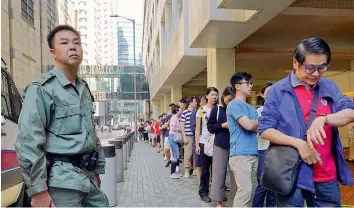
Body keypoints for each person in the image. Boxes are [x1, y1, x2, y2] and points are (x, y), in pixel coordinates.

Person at [15, 25, 108, 207]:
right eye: (64, 43)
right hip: (61, 183)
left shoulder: (84, 89)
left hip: (87, 177)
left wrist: (97, 169)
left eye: (76, 43)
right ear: (53, 52)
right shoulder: (42, 88)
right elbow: (28, 140)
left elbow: (91, 133)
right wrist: (38, 191)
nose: (72, 47)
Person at [259, 37, 354, 207]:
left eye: (322, 67)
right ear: (295, 63)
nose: (316, 73)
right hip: (290, 174)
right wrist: (298, 144)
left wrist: (324, 119)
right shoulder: (278, 91)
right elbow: (265, 129)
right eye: (310, 68)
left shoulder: (329, 87)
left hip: (325, 174)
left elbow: (349, 112)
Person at [227, 72, 259, 207]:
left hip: (253, 153)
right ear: (237, 86)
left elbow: (257, 128)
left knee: (248, 192)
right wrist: (257, 122)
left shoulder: (251, 108)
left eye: (251, 83)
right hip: (240, 155)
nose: (251, 86)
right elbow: (249, 125)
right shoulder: (234, 105)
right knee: (244, 192)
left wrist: (256, 124)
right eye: (248, 83)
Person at [208, 86, 235, 207]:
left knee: (235, 175)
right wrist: (223, 125)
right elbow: (211, 128)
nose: (230, 101)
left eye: (232, 99)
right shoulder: (217, 109)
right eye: (228, 98)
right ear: (223, 97)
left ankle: (236, 200)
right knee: (219, 174)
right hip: (220, 145)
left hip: (235, 145)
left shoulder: (236, 109)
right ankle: (218, 201)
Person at [252, 83, 276, 207]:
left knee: (273, 184)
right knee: (262, 182)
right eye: (268, 92)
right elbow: (258, 129)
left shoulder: (279, 110)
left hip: (277, 150)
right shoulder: (259, 111)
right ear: (262, 95)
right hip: (263, 149)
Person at [196, 87, 219, 203]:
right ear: (207, 96)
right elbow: (198, 129)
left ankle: (217, 193)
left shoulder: (220, 109)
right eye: (212, 95)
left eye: (216, 95)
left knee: (216, 170)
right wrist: (196, 145)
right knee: (205, 170)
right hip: (204, 142)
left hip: (217, 143)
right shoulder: (201, 110)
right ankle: (203, 192)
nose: (214, 97)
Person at [190, 96, 206, 183]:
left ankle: (208, 181)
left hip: (209, 142)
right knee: (199, 163)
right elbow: (193, 128)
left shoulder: (210, 112)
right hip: (198, 141)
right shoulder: (195, 114)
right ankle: (200, 182)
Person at [181, 97, 198, 178]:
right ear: (190, 103)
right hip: (188, 136)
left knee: (196, 154)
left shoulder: (197, 112)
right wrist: (184, 137)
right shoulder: (184, 113)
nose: (196, 103)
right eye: (195, 102)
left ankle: (195, 169)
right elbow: (182, 126)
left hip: (196, 136)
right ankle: (187, 170)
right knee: (188, 154)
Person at [168, 104, 182, 179]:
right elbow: (173, 128)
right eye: (179, 109)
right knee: (175, 154)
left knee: (176, 154)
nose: (180, 110)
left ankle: (174, 172)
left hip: (174, 137)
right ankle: (172, 173)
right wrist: (180, 129)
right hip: (173, 137)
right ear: (177, 110)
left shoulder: (176, 117)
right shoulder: (174, 117)